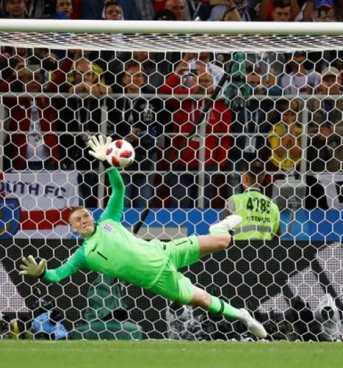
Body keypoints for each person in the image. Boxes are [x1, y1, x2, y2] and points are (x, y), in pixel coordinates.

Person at [18, 134, 267, 340]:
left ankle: (218, 230)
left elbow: (119, 188)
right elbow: (58, 275)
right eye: (78, 221)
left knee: (222, 241)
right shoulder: (83, 254)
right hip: (159, 280)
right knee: (202, 299)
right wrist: (42, 274)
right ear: (73, 229)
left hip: (165, 251)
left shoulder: (108, 220)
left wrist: (108, 163)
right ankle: (244, 316)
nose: (84, 221)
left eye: (85, 216)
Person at [225, 160, 281, 241]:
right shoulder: (273, 206)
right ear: (263, 178)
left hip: (239, 251)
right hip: (265, 251)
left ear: (245, 178)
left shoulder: (234, 200)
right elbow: (277, 239)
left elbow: (223, 232)